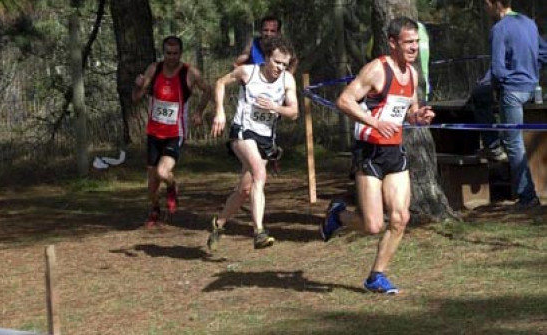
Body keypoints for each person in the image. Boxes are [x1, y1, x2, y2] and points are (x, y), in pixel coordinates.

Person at [320, 17, 436, 294]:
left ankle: (376, 276)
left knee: (400, 218)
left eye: (417, 42)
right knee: (373, 225)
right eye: (409, 42)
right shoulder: (376, 70)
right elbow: (344, 100)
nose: (414, 48)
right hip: (369, 150)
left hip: (394, 150)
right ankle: (339, 216)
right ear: (393, 43)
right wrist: (374, 123)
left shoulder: (412, 74)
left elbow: (408, 112)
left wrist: (418, 116)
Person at [206, 36, 300, 252]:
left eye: (284, 65)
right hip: (242, 132)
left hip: (266, 138)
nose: (279, 68)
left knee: (245, 189)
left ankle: (218, 224)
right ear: (267, 57)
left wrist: (275, 108)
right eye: (276, 62)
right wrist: (220, 111)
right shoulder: (248, 72)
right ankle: (259, 231)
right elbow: (220, 82)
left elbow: (294, 112)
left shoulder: (287, 80)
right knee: (259, 174)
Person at [132, 36, 212, 228]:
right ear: (163, 53)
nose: (171, 57)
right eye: (168, 53)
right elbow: (136, 98)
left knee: (162, 172)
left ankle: (171, 186)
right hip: (154, 132)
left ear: (180, 54)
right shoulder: (154, 69)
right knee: (152, 180)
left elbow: (208, 90)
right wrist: (138, 85)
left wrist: (199, 112)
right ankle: (154, 209)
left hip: (175, 133)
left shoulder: (189, 73)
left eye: (175, 53)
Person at [472, 0, 541, 208]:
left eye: (485, 5)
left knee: (513, 143)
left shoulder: (499, 29)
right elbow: (544, 52)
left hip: (512, 91)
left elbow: (498, 70)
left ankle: (527, 195)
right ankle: (495, 145)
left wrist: (490, 86)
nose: (485, 9)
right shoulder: (529, 23)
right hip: (531, 88)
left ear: (493, 4)